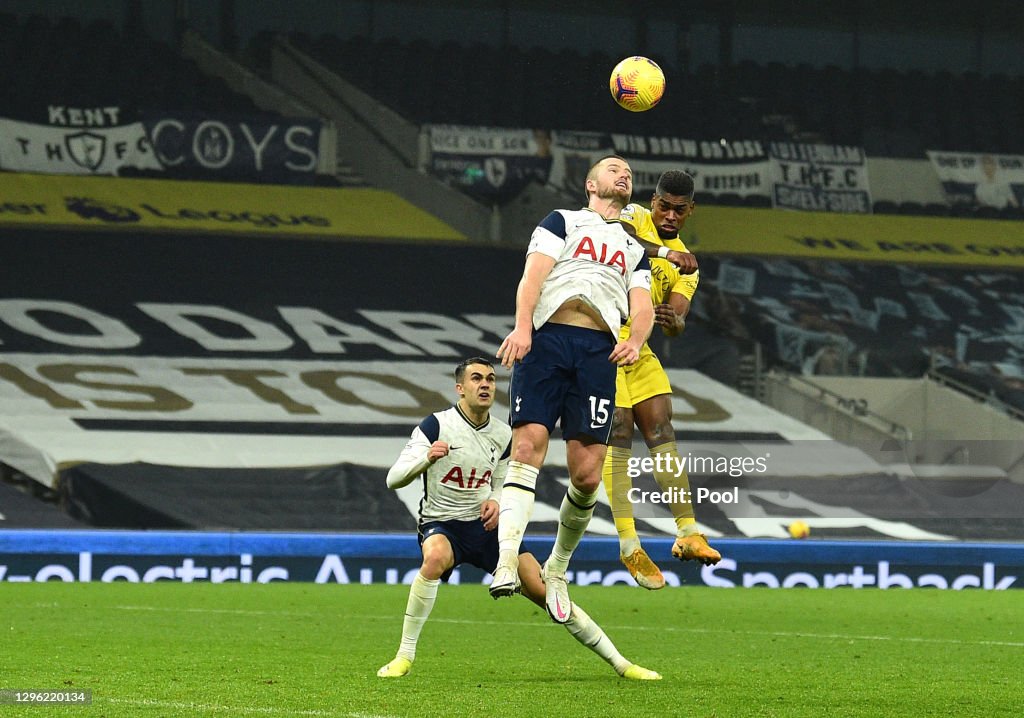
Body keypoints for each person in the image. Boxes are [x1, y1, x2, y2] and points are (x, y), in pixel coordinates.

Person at [377, 357, 660, 681]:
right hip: (443, 524)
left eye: (490, 379)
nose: (485, 384)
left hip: (486, 529)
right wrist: (426, 458)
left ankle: (622, 664)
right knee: (435, 557)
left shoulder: (503, 434)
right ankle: (404, 656)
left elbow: (502, 479)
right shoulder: (435, 426)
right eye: (476, 379)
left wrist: (497, 501)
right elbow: (393, 479)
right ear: (460, 388)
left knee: (548, 594)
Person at [491, 155, 654, 624]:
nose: (623, 174)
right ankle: (506, 561)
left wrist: (637, 340)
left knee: (586, 475)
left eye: (627, 171)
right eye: (612, 168)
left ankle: (557, 567)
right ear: (590, 183)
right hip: (547, 341)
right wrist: (523, 328)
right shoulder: (562, 221)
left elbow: (640, 306)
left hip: (597, 352)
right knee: (527, 447)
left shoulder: (633, 246)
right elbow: (533, 277)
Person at [602, 170, 721, 591]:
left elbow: (676, 319)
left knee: (660, 426)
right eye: (663, 206)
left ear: (691, 210)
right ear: (653, 202)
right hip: (601, 336)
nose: (669, 215)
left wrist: (674, 321)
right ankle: (628, 542)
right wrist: (666, 256)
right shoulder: (633, 217)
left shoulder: (688, 263)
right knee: (617, 428)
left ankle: (687, 531)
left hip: (639, 342)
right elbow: (616, 239)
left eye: (679, 209)